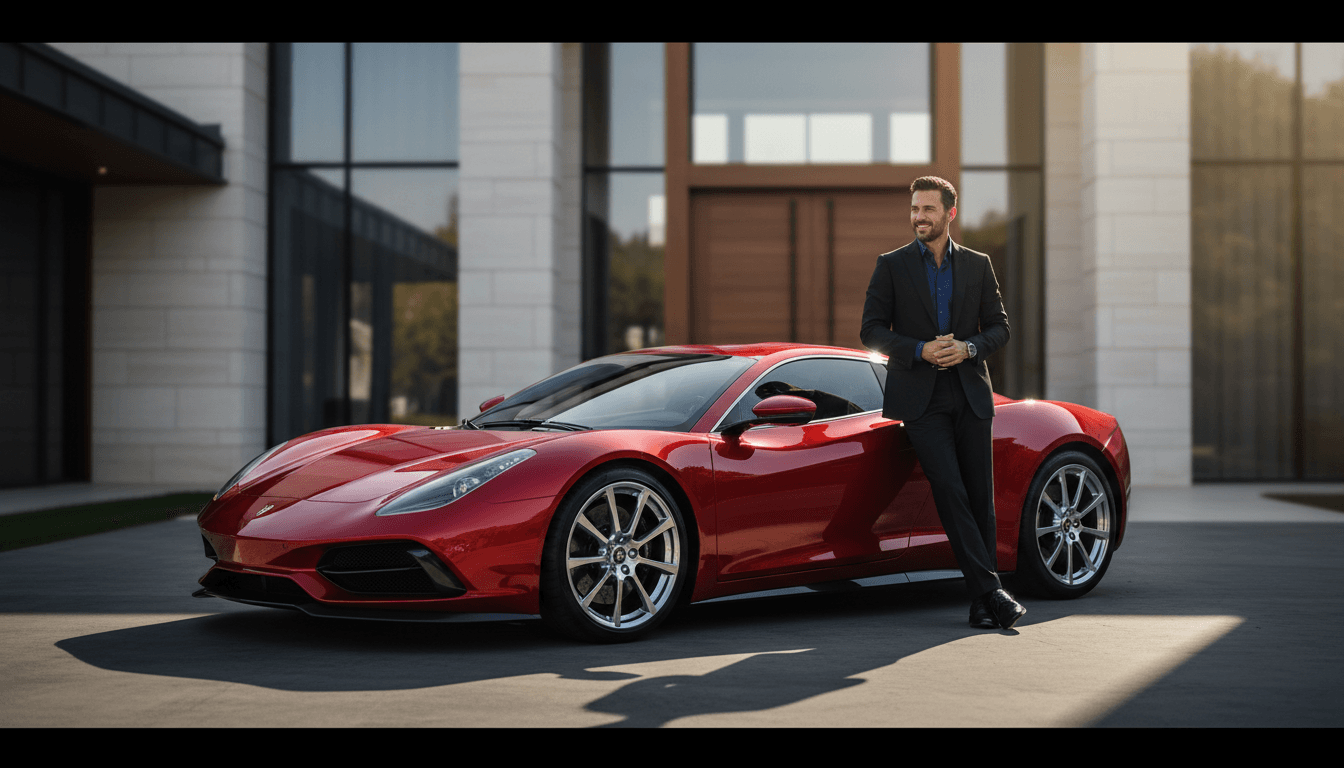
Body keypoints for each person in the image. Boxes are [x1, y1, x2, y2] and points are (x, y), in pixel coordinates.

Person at [859, 176, 1026, 630]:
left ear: (950, 214)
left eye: (928, 210)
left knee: (979, 499)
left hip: (970, 393)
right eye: (914, 209)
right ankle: (993, 592)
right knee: (949, 490)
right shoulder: (891, 265)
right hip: (920, 400)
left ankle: (981, 603)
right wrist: (919, 349)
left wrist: (969, 348)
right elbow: (871, 330)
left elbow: (1000, 327)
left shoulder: (978, 265)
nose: (919, 217)